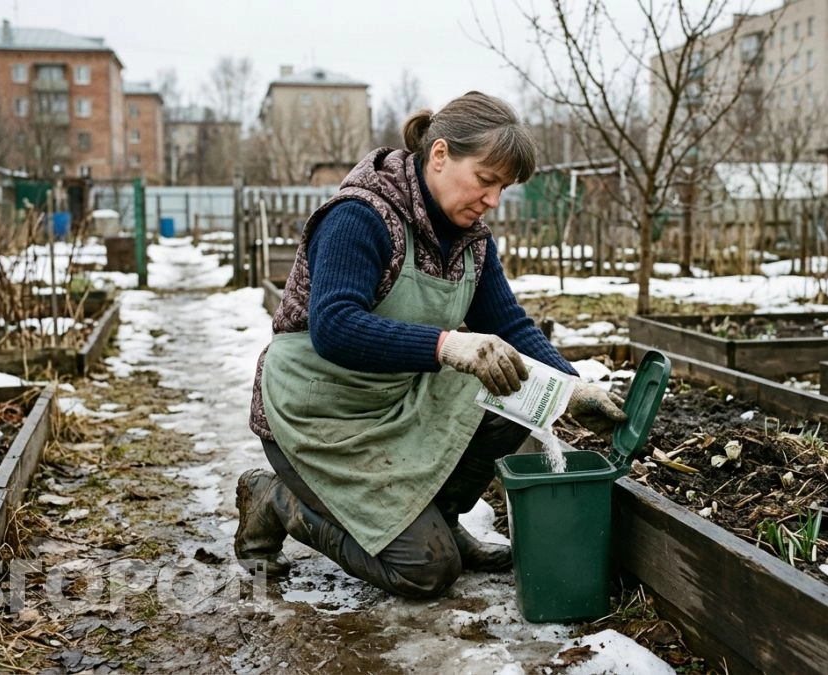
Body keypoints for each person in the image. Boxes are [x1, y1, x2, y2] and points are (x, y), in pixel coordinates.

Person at [239, 91, 627, 599]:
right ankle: (277, 499)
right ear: (439, 155)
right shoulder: (360, 217)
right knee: (425, 572)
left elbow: (508, 322)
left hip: (394, 400)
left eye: (503, 188)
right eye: (486, 180)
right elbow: (333, 326)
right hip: (317, 414)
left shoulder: (472, 239)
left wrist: (569, 388)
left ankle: (441, 519)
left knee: (516, 398)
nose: (493, 200)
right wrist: (448, 346)